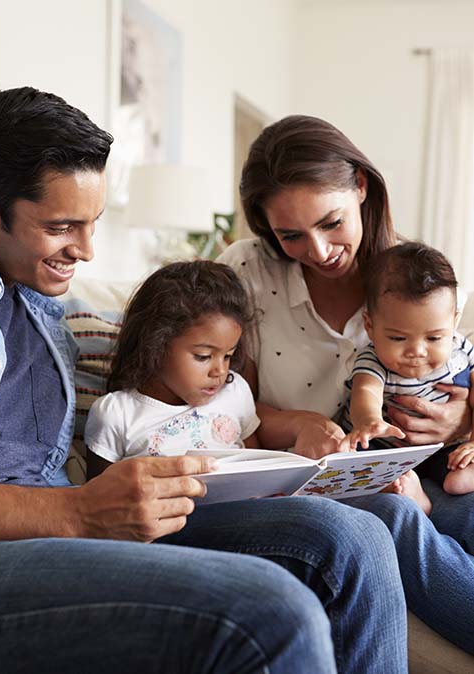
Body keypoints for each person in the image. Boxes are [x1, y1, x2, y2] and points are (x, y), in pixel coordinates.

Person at [0, 87, 409, 674]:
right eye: (64, 225)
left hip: (64, 529)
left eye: (93, 223)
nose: (88, 250)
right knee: (273, 612)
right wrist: (79, 514)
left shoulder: (34, 295)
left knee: (353, 538)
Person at [218, 114, 474, 654]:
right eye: (291, 235)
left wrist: (464, 419)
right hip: (310, 486)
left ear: (361, 186)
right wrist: (298, 423)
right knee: (395, 518)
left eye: (330, 222)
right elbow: (217, 399)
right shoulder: (247, 271)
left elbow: (455, 371)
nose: (318, 249)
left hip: (418, 468)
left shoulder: (418, 280)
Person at [86, 260, 259, 478]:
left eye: (228, 356)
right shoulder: (116, 414)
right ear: (155, 344)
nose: (220, 371)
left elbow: (257, 462)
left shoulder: (235, 392)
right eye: (203, 357)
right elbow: (98, 497)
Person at [339, 242, 474, 505]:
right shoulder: (374, 357)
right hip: (385, 450)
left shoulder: (460, 348)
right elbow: (366, 390)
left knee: (459, 466)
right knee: (369, 474)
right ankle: (414, 496)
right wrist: (369, 421)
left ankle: (462, 473)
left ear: (454, 322)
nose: (417, 351)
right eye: (398, 338)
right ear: (370, 326)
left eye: (434, 337)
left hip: (441, 447)